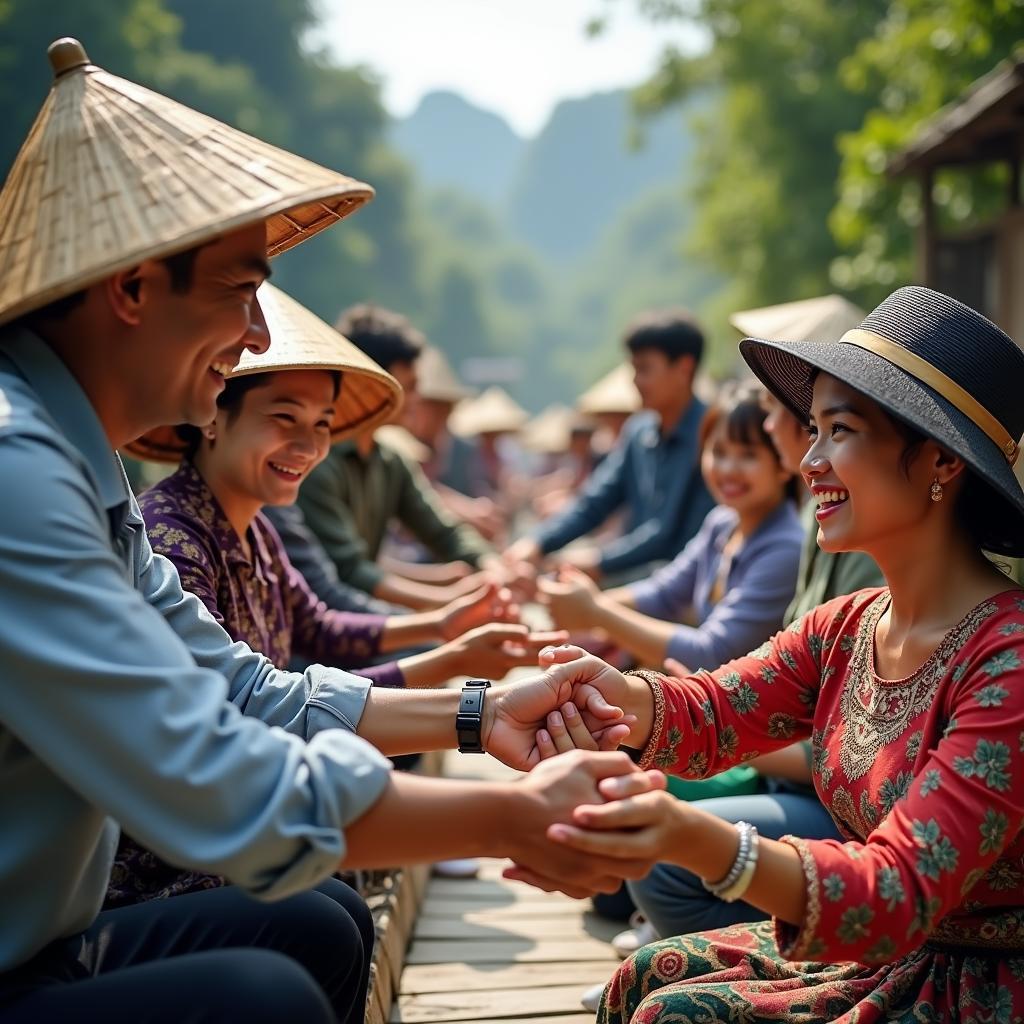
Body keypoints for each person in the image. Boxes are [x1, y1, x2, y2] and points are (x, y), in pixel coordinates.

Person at [0, 39, 657, 1022]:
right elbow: (211, 775)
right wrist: (513, 813)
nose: (258, 335)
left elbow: (246, 684)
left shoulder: (77, 470)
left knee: (316, 925)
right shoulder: (21, 473)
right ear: (132, 287)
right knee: (259, 993)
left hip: (48, 935)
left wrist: (481, 710)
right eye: (240, 290)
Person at [532, 286, 1024, 1022]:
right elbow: (714, 709)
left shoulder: (1008, 661)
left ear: (936, 462)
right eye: (812, 430)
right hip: (890, 955)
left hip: (981, 985)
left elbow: (897, 893)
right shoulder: (846, 626)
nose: (812, 461)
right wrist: (605, 694)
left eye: (840, 431)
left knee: (671, 1014)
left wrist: (694, 837)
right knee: (642, 974)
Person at [540, 384, 803, 672]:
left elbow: (712, 652)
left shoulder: (785, 547)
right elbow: (664, 593)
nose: (728, 469)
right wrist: (579, 602)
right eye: (718, 451)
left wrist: (595, 612)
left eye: (748, 455)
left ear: (783, 462)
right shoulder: (722, 523)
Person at [298, 304, 505, 609]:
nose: (416, 400)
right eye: (409, 388)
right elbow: (350, 571)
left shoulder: (391, 461)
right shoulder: (317, 461)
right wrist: (448, 604)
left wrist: (489, 566)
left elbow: (443, 531)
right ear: (371, 381)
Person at [505, 309, 715, 585]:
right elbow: (595, 501)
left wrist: (599, 561)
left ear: (684, 368)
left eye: (645, 369)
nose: (635, 381)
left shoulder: (711, 432)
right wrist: (537, 542)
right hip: (642, 570)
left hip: (684, 580)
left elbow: (664, 534)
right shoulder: (638, 432)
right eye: (634, 369)